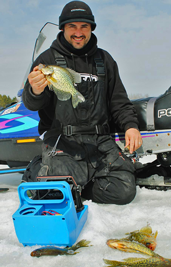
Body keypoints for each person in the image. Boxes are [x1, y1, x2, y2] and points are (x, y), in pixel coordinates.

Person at [22, 1, 143, 205]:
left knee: (124, 192)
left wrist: (130, 126)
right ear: (63, 28)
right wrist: (35, 90)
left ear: (91, 29)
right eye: (72, 26)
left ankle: (78, 188)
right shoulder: (47, 60)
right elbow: (32, 103)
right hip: (64, 140)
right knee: (55, 197)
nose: (78, 32)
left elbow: (118, 100)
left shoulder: (105, 60)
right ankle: (39, 169)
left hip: (100, 140)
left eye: (84, 26)